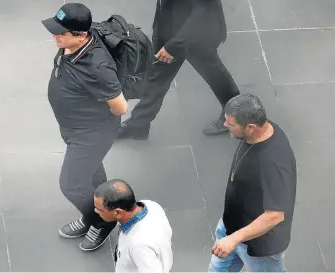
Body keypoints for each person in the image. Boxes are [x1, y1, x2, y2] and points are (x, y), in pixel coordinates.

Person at [41, 3, 128, 252]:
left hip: (90, 134)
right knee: (93, 176)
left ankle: (100, 221)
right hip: (74, 128)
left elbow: (120, 107)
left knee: (72, 184)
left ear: (80, 35)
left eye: (61, 33)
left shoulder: (97, 68)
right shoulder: (73, 45)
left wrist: (98, 120)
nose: (54, 36)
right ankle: (99, 209)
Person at [116, 0, 240, 140]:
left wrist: (173, 47)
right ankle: (139, 123)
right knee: (158, 74)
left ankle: (237, 111)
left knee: (212, 70)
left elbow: (202, 13)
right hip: (171, 26)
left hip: (196, 35)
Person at [208, 94, 297, 272]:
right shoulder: (259, 129)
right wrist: (230, 236)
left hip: (259, 247)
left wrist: (234, 239)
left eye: (230, 124)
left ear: (250, 127)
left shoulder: (273, 164)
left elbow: (275, 215)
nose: (225, 126)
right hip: (230, 227)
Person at [94, 179, 173, 272]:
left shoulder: (138, 246)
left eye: (100, 210)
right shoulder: (151, 205)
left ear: (118, 213)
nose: (96, 211)